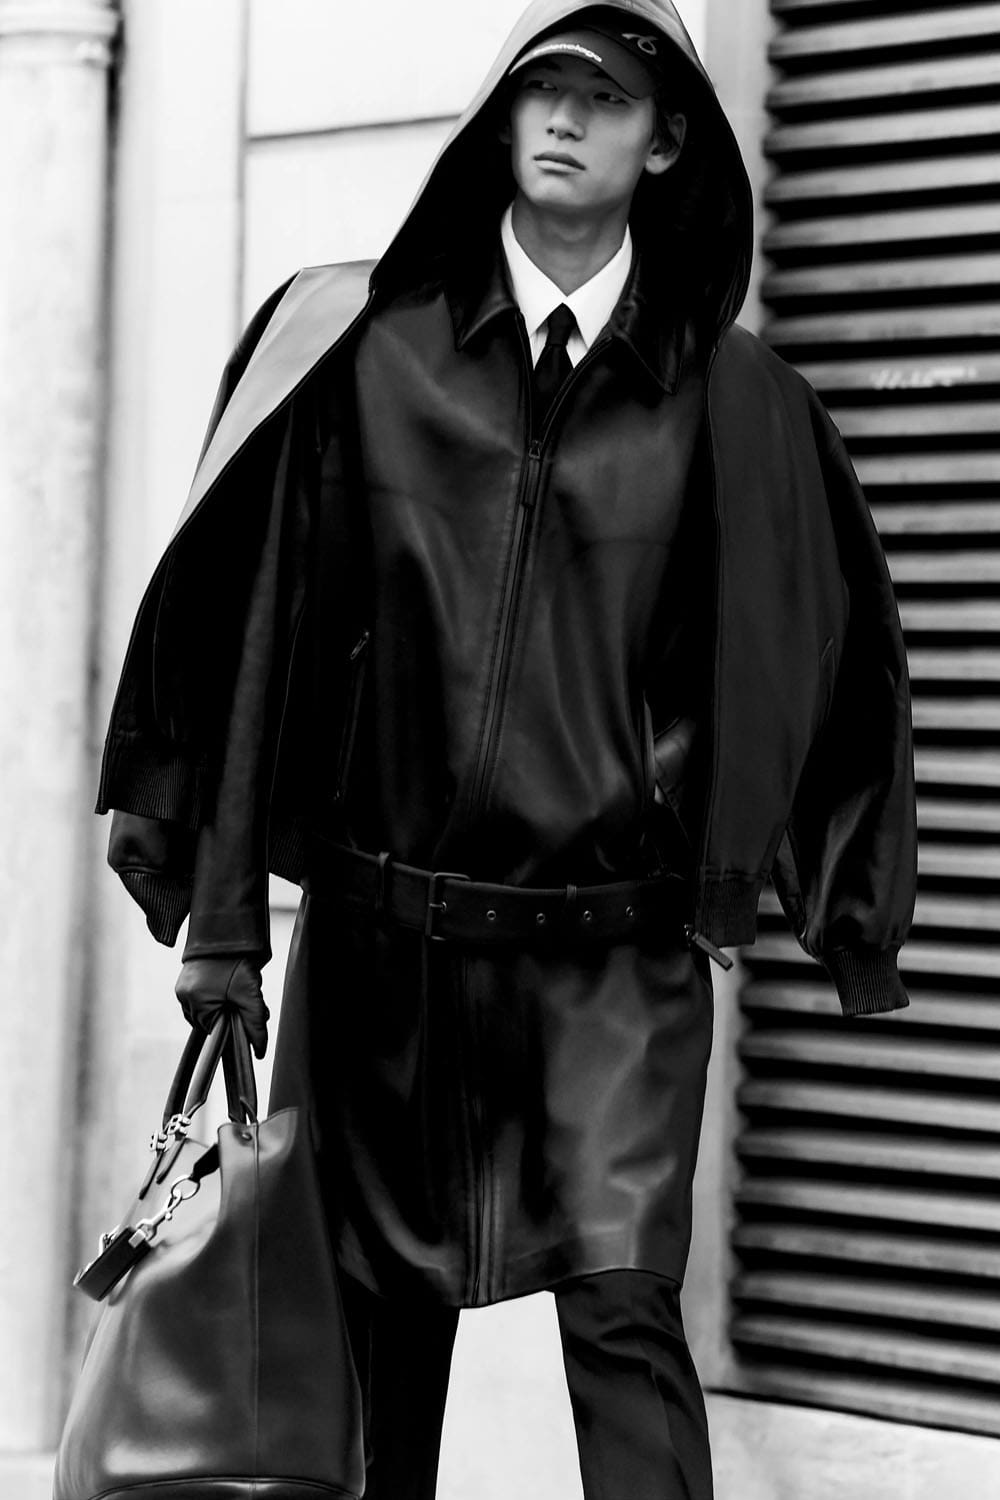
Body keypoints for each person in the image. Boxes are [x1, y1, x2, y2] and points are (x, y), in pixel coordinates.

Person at [96, 2, 917, 1496]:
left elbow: (832, 655)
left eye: (608, 96)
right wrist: (223, 933)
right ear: (497, 112)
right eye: (542, 85)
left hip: (612, 971)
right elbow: (260, 636)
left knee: (627, 1326)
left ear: (665, 143)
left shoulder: (739, 406)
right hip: (381, 962)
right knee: (376, 1374)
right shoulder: (359, 349)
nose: (566, 117)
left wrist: (833, 902)